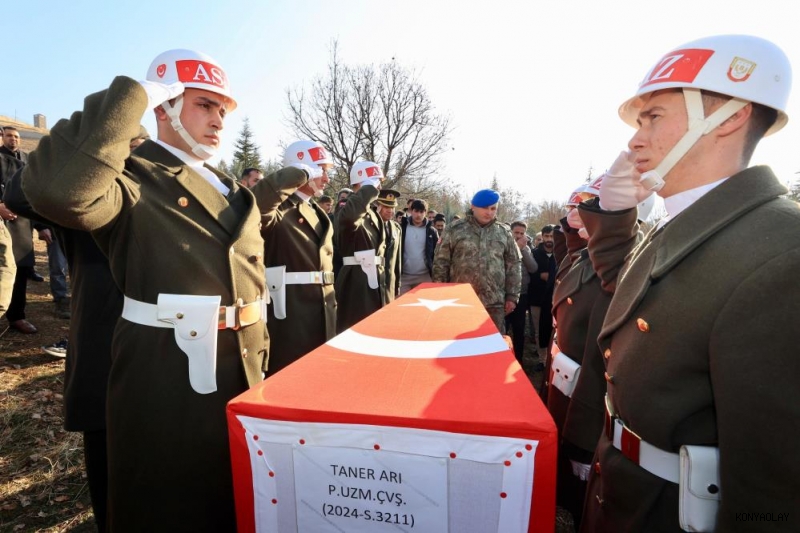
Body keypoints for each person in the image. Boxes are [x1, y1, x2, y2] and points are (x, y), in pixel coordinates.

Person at [22, 48, 313, 532]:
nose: (218, 119)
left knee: (232, 497)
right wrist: (135, 96)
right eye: (204, 105)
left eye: (223, 109)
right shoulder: (134, 177)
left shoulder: (227, 186)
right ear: (166, 109)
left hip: (240, 369)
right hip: (168, 378)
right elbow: (57, 190)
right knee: (171, 503)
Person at [578, 35, 800, 532]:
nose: (634, 141)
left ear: (730, 118)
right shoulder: (687, 224)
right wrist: (612, 213)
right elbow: (628, 297)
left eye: (653, 117)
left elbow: (774, 490)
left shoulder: (784, 251)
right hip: (627, 497)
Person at [541, 181, 605, 529]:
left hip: (584, 391)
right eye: (570, 210)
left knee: (583, 494)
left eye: (582, 209)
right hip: (563, 379)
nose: (572, 216)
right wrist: (569, 225)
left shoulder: (610, 267)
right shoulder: (581, 256)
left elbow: (598, 361)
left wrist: (583, 438)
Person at [263, 140, 336, 377]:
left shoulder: (315, 211)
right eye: (320, 170)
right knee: (290, 375)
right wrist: (299, 174)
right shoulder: (279, 207)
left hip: (322, 307)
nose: (326, 178)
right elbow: (259, 205)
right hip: (292, 310)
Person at [432, 189, 521, 333]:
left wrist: (512, 296)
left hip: (494, 303)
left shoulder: (504, 232)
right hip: (460, 301)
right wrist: (441, 294)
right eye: (485, 208)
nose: (489, 212)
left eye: (493, 208)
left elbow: (514, 265)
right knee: (459, 341)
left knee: (492, 342)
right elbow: (441, 263)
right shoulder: (454, 229)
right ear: (473, 207)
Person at [334, 160, 386, 332]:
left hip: (375, 281)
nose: (378, 187)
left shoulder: (371, 211)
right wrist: (368, 188)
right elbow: (350, 218)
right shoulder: (347, 205)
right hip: (356, 283)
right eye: (376, 181)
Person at [504, 221, 537, 364]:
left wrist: (522, 250)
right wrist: (516, 248)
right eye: (516, 233)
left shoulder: (526, 248)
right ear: (510, 232)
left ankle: (518, 360)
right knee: (503, 329)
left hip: (521, 295)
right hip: (504, 294)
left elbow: (533, 268)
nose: (518, 236)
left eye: (522, 233)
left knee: (519, 329)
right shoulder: (504, 246)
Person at [529, 224, 557, 366]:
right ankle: (542, 360)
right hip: (537, 298)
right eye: (546, 236)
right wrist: (540, 275)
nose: (549, 239)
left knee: (554, 331)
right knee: (539, 330)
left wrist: (550, 277)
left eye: (552, 236)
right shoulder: (534, 254)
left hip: (555, 300)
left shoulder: (561, 254)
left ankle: (553, 360)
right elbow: (528, 273)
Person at [399, 198, 438, 296]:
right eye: (416, 211)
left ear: (425, 213)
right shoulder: (401, 228)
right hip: (404, 277)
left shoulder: (432, 231)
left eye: (421, 212)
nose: (418, 215)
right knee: (402, 304)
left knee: (425, 304)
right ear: (411, 211)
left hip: (424, 276)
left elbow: (437, 253)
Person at [375, 188, 402, 302]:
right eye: (386, 207)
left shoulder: (396, 228)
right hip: (372, 283)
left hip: (389, 284)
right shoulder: (369, 226)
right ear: (378, 206)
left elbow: (397, 260)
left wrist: (397, 285)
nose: (390, 210)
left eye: (392, 207)